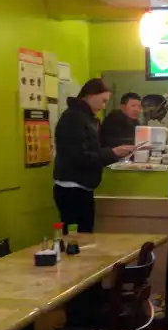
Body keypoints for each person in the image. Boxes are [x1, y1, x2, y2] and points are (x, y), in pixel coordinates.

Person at [54, 78, 134, 233]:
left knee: (85, 235)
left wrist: (114, 152)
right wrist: (112, 153)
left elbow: (92, 150)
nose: (103, 106)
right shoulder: (73, 118)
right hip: (72, 189)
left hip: (82, 187)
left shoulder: (88, 119)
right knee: (77, 238)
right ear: (91, 95)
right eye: (103, 101)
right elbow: (80, 157)